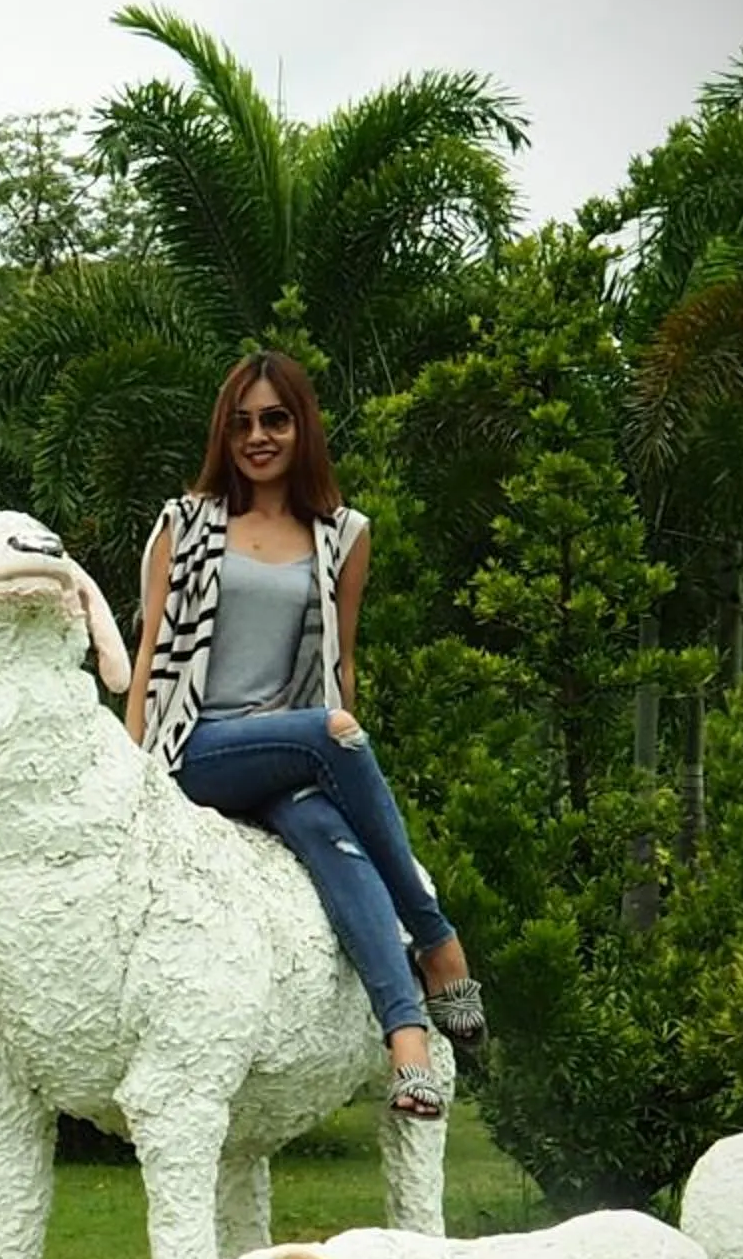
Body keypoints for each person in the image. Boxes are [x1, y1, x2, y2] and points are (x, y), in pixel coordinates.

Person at [121, 348, 484, 1119]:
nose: (259, 437)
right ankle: (438, 940)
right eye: (243, 423)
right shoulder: (183, 524)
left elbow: (340, 663)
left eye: (275, 420)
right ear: (225, 433)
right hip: (195, 749)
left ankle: (408, 1042)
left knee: (331, 833)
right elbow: (149, 652)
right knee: (333, 731)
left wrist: (338, 769)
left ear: (301, 428)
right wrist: (135, 776)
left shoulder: (343, 536)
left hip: (285, 751)